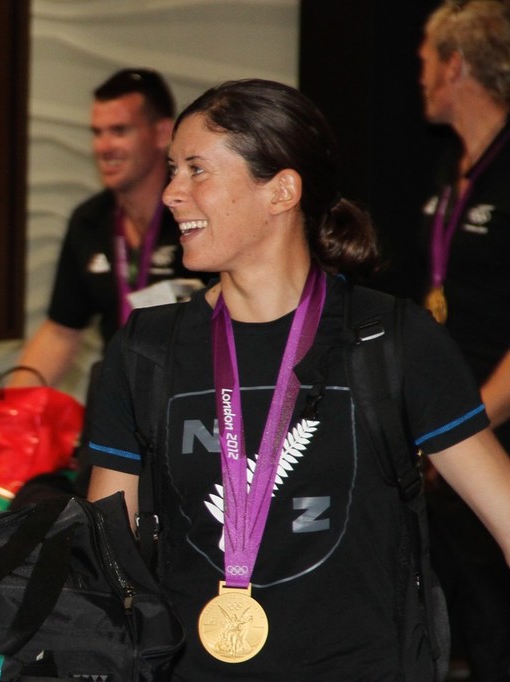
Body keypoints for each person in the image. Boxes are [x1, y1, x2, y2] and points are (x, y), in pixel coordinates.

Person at [86, 78, 510, 679]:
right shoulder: (147, 348)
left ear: (281, 190)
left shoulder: (391, 338)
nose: (172, 193)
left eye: (197, 171)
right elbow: (104, 557)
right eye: (174, 170)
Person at [415, 1, 510, 677]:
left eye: (424, 56)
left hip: (493, 434)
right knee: (465, 632)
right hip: (453, 434)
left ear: (456, 65)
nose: (416, 72)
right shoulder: (452, 170)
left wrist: (461, 427)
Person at [10, 68, 204, 388]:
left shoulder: (195, 214)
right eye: (97, 132)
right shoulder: (89, 220)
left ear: (161, 133)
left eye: (119, 130)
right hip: (119, 403)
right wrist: (5, 417)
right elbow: (61, 332)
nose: (104, 146)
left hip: (194, 398)